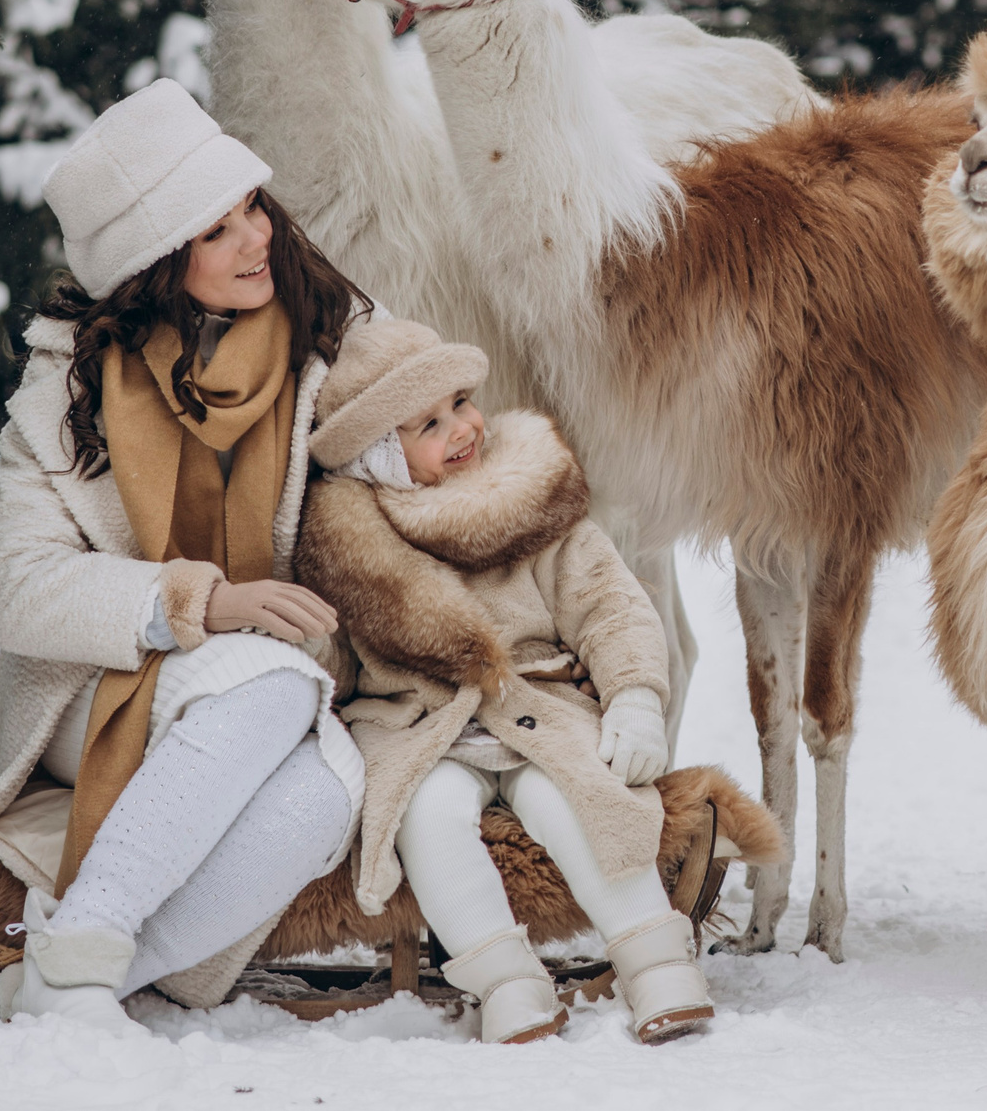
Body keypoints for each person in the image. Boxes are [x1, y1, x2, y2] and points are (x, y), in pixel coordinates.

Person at [0, 79, 370, 1037]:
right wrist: (199, 603)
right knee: (273, 687)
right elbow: (16, 588)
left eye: (252, 207)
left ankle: (55, 979)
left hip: (279, 682)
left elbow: (414, 457)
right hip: (97, 688)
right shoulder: (67, 387)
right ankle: (85, 954)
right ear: (156, 262)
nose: (257, 238)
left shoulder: (323, 341)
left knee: (327, 789)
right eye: (216, 230)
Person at [293, 320, 716, 1044]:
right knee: (427, 817)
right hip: (418, 728)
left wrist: (635, 696)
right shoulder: (351, 549)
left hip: (540, 706)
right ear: (379, 455)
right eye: (429, 424)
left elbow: (610, 606)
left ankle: (655, 957)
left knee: (576, 799)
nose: (462, 427)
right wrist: (306, 645)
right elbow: (334, 663)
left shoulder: (529, 502)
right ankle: (504, 981)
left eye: (461, 402)